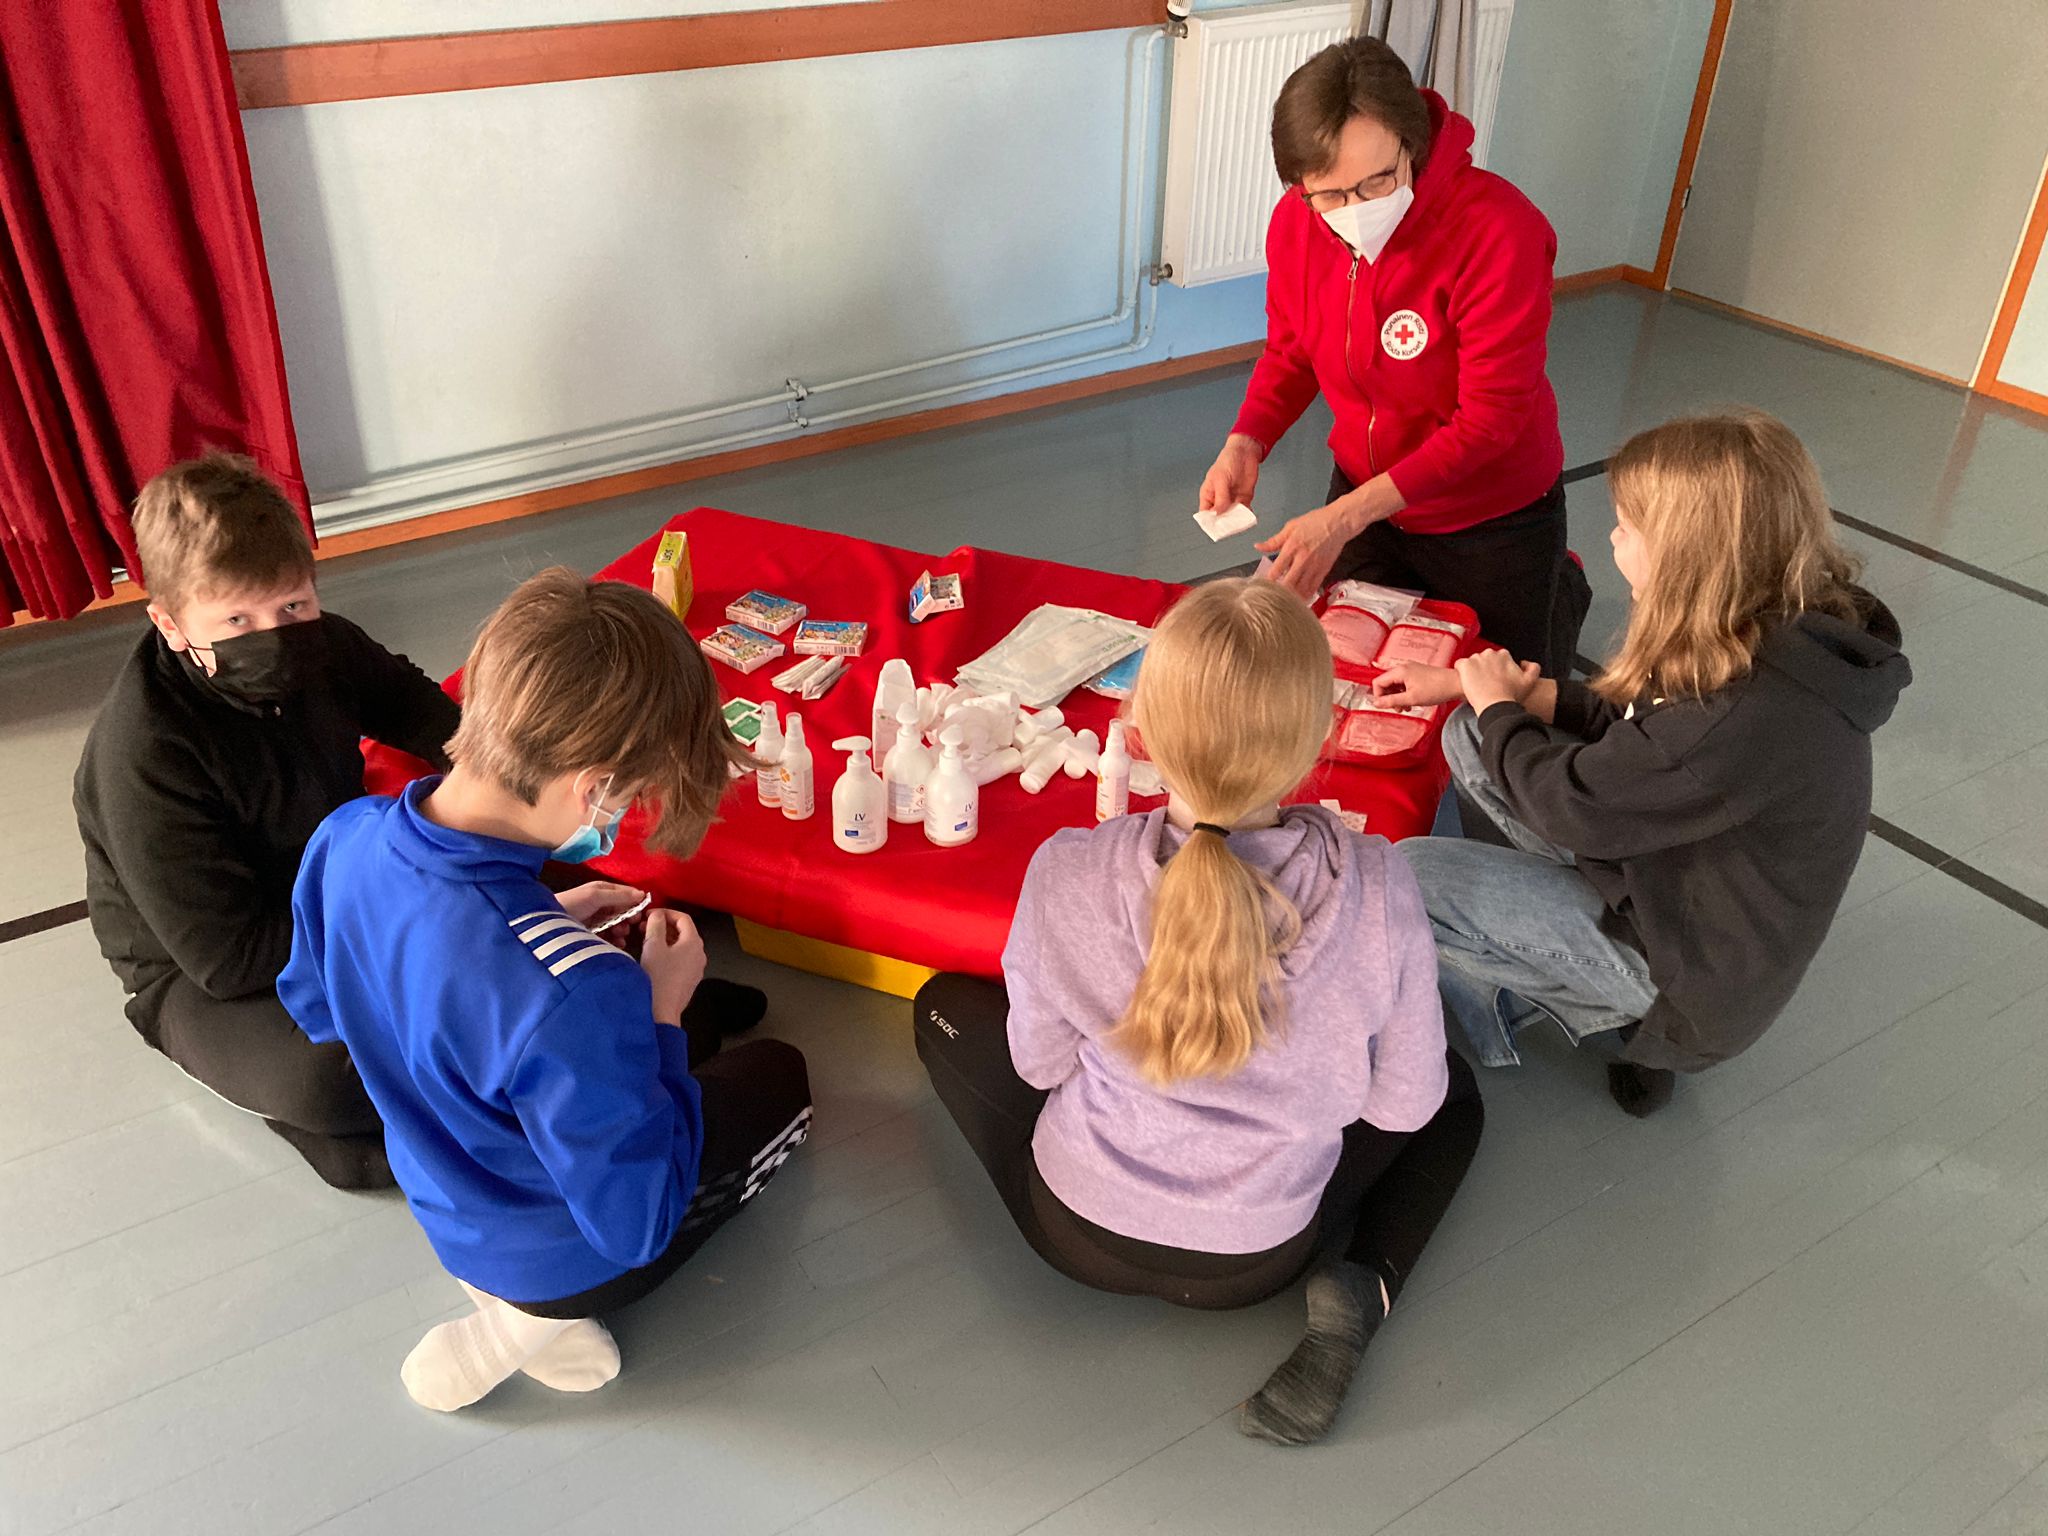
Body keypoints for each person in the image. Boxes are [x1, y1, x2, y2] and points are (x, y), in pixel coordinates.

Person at [914, 579, 1483, 1446]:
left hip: (1074, 1229)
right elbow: (1404, 1107)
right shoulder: (1379, 887)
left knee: (940, 1007)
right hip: (1255, 1261)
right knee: (1454, 1094)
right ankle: (1363, 1287)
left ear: (1138, 730)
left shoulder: (1067, 868)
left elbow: (1038, 1065)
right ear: (1323, 741)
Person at [278, 568, 811, 1411]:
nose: (626, 814)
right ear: (593, 788)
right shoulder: (581, 993)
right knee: (782, 1079)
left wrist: (538, 921)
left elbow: (321, 1004)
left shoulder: (346, 836)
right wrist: (658, 1011)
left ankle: (510, 1299)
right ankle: (523, 1325)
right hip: (563, 1255)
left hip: (440, 1189)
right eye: (632, 796)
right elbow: (637, 1224)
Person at [1379, 412, 1912, 1115]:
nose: (1612, 538)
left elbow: (1577, 805)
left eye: (1627, 528)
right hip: (1674, 877)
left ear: (1689, 557)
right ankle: (1563, 953)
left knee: (1411, 875)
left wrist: (1501, 706)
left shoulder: (1741, 713)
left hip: (1688, 972)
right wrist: (1490, 693)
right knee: (1469, 732)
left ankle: (1628, 1025)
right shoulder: (1767, 627)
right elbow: (1637, 724)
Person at [72, 453, 460, 1190]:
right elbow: (229, 960)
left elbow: (423, 713)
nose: (276, 635)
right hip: (202, 970)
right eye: (237, 621)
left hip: (335, 881)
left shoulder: (327, 643)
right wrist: (402, 905)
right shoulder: (145, 754)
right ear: (171, 625)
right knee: (339, 1078)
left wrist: (501, 784)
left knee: (478, 969)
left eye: (292, 606)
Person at [1201, 37, 1589, 676]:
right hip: (1365, 495)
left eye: (1377, 181)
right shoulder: (1297, 222)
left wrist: (1340, 521)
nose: (1354, 211)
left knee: (1503, 688)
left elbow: (1490, 420)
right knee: (1351, 673)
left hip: (1491, 517)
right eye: (1329, 194)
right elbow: (1292, 349)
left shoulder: (1499, 230)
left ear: (1414, 145)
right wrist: (1247, 439)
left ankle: (1561, 589)